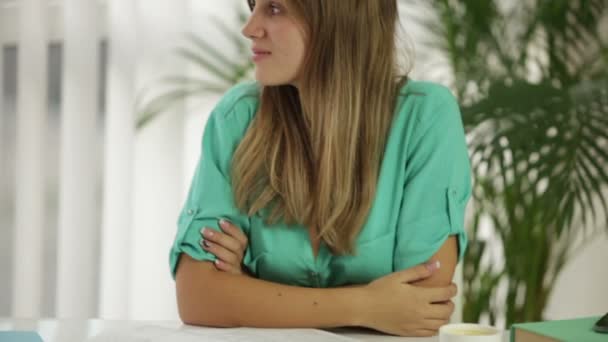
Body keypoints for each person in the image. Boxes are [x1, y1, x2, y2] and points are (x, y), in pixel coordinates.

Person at [170, 0, 472, 337]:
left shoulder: (426, 119)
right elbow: (199, 296)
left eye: (274, 9)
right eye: (254, 6)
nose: (250, 28)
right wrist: (368, 306)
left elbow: (418, 307)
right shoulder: (237, 119)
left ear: (337, 20)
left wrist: (249, 293)